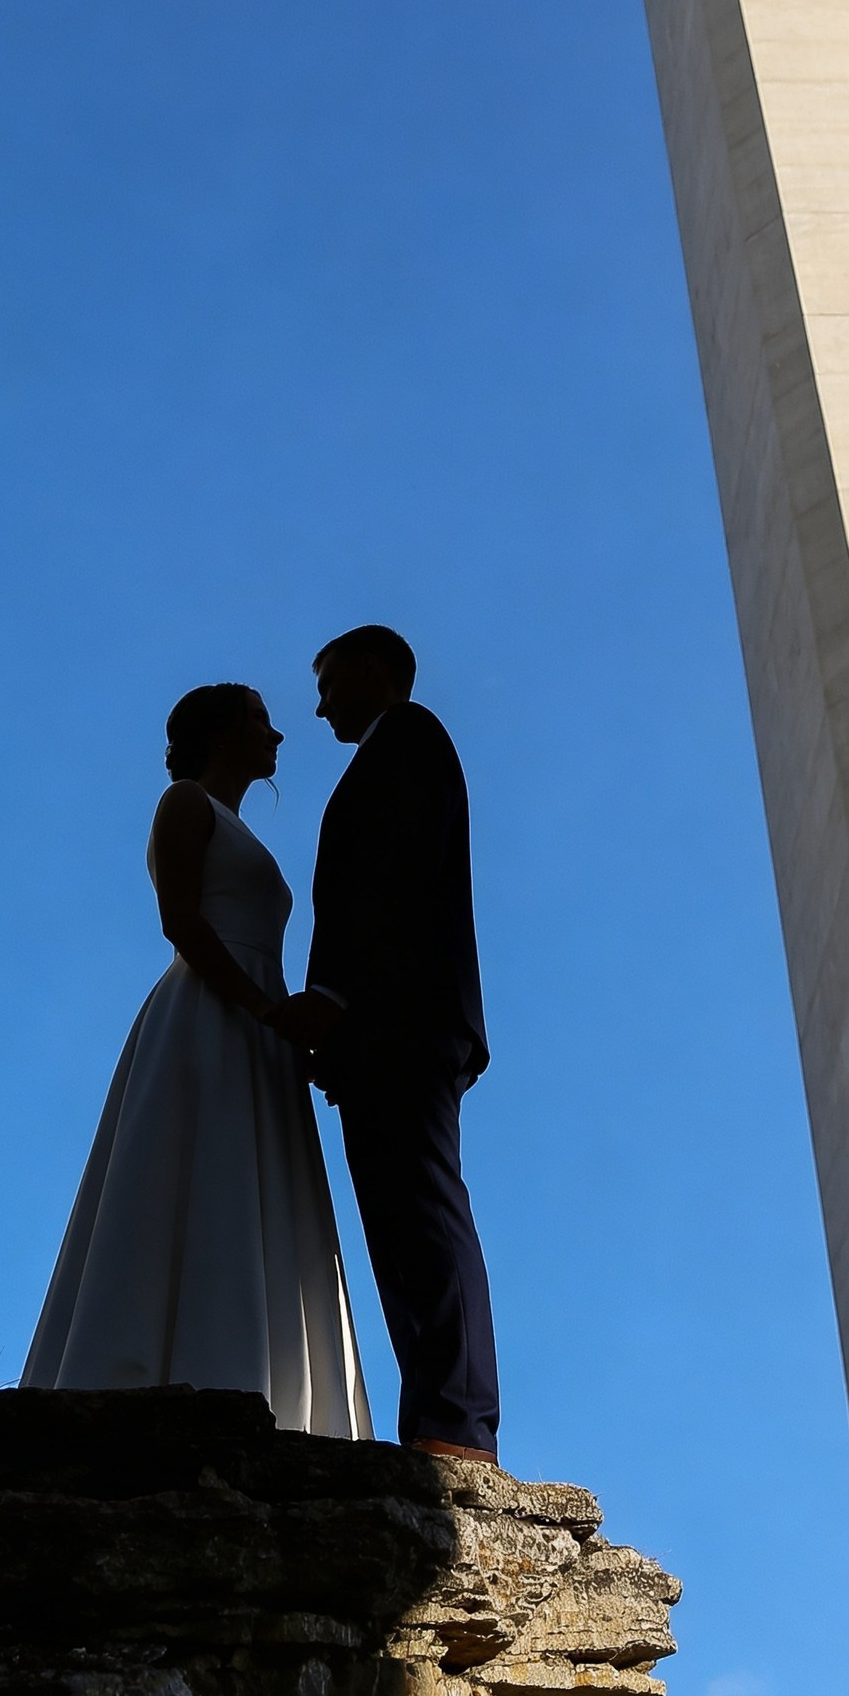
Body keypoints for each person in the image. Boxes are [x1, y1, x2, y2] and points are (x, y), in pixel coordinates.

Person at [22, 681, 374, 1436]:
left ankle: (255, 1376)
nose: (277, 736)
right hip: (212, 1014)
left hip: (258, 1019)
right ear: (219, 733)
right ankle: (152, 1367)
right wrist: (257, 1008)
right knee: (194, 1170)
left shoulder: (239, 829)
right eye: (258, 720)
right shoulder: (185, 804)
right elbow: (179, 920)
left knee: (249, 1178)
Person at [278, 626, 499, 1465]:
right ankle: (438, 1420)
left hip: (400, 1024)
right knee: (399, 1231)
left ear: (375, 671)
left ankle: (460, 1424)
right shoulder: (386, 753)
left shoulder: (409, 739)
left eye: (329, 681)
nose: (320, 704)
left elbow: (390, 880)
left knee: (424, 1212)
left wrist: (334, 997)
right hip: (379, 1035)